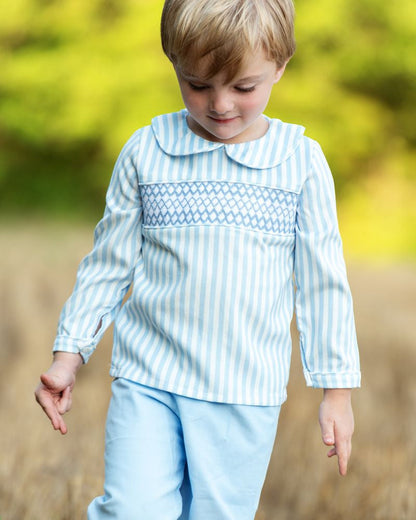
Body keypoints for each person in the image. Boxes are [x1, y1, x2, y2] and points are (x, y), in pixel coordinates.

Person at [35, 0, 361, 518]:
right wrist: (68, 355)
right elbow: (108, 265)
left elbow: (323, 285)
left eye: (244, 87)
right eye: (198, 84)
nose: (221, 104)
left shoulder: (301, 164)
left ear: (280, 64)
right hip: (150, 378)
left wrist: (336, 394)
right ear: (174, 62)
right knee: (132, 510)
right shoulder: (146, 152)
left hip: (243, 390)